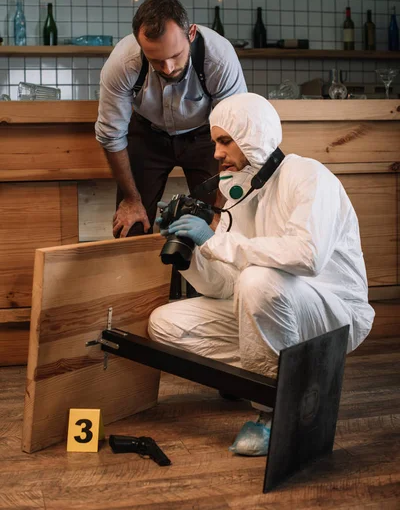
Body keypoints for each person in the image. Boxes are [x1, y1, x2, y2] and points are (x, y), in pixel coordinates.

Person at [148, 92, 375, 455]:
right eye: (215, 143)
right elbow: (223, 286)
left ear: (253, 136)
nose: (217, 153)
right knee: (165, 324)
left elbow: (308, 256)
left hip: (333, 311)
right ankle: (290, 376)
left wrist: (216, 240)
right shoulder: (241, 193)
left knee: (258, 280)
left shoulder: (308, 176)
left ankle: (272, 410)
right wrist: (192, 252)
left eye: (225, 141)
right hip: (270, 303)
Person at [95, 0, 247, 238]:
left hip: (205, 137)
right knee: (131, 224)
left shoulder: (219, 58)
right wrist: (132, 199)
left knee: (214, 225)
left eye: (175, 56)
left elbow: (234, 132)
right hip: (147, 135)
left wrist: (218, 209)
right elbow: (111, 136)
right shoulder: (123, 63)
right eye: (156, 61)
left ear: (192, 34)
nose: (167, 69)